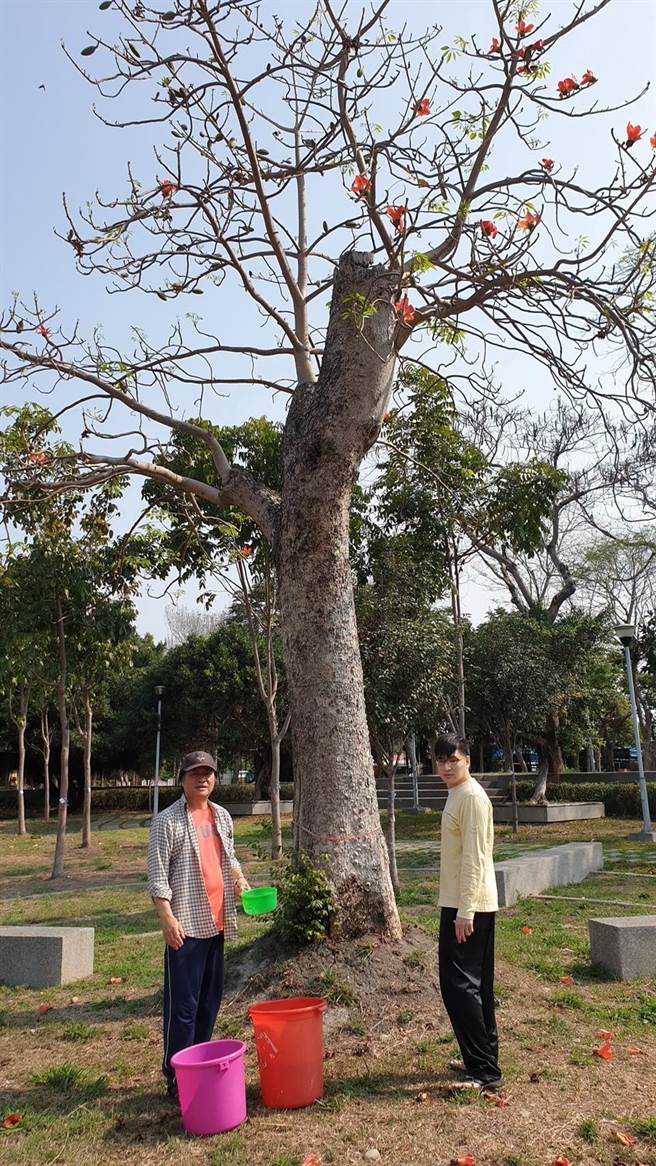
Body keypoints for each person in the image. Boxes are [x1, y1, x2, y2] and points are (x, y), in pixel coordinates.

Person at [147, 750, 251, 1098]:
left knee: (210, 1001)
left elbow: (229, 857)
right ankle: (175, 1075)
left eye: (208, 773)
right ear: (182, 779)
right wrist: (166, 918)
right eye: (194, 773)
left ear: (215, 779)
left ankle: (198, 1065)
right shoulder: (167, 822)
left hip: (217, 922)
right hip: (186, 927)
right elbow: (157, 877)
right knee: (183, 1008)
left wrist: (239, 879)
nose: (201, 779)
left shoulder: (221, 817)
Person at [435, 733, 502, 1092]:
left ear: (468, 761)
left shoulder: (472, 797)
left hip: (469, 906)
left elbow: (476, 858)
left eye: (453, 760)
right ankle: (481, 1059)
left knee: (460, 986)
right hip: (460, 902)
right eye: (441, 761)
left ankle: (484, 1071)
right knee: (473, 986)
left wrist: (465, 911)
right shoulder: (458, 794)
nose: (447, 767)